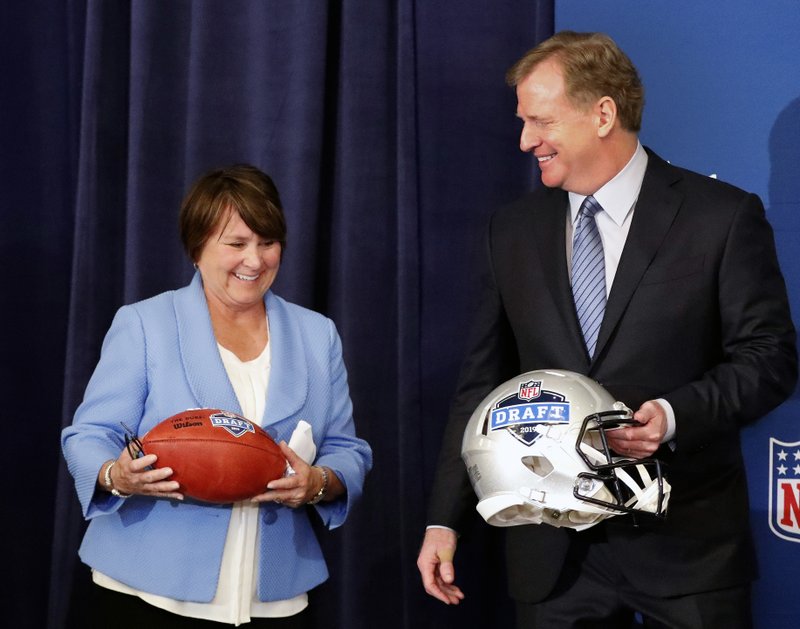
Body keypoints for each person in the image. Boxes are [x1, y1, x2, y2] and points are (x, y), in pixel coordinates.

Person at [417, 31, 797, 628]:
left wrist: (673, 416)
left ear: (603, 114)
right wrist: (445, 519)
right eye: (522, 122)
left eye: (540, 120)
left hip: (686, 551)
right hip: (553, 556)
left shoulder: (719, 218)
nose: (525, 141)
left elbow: (769, 359)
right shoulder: (510, 232)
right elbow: (482, 386)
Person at [62, 164, 372, 628]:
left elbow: (347, 450)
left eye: (267, 243)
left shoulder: (317, 334)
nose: (255, 260)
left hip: (275, 597)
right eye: (236, 244)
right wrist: (116, 475)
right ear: (197, 248)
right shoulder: (146, 324)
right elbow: (89, 434)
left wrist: (319, 482)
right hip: (146, 591)